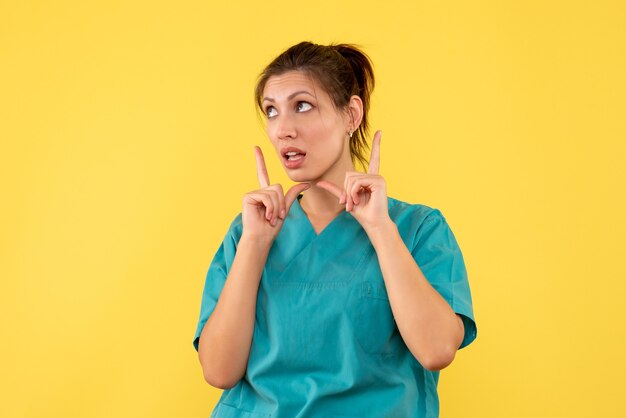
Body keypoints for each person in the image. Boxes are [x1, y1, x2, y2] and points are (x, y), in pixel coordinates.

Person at [193, 41, 477, 418]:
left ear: (351, 114)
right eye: (272, 111)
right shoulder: (249, 231)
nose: (282, 130)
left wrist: (379, 229)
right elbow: (218, 371)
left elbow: (438, 350)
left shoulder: (417, 229)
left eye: (302, 106)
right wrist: (255, 244)